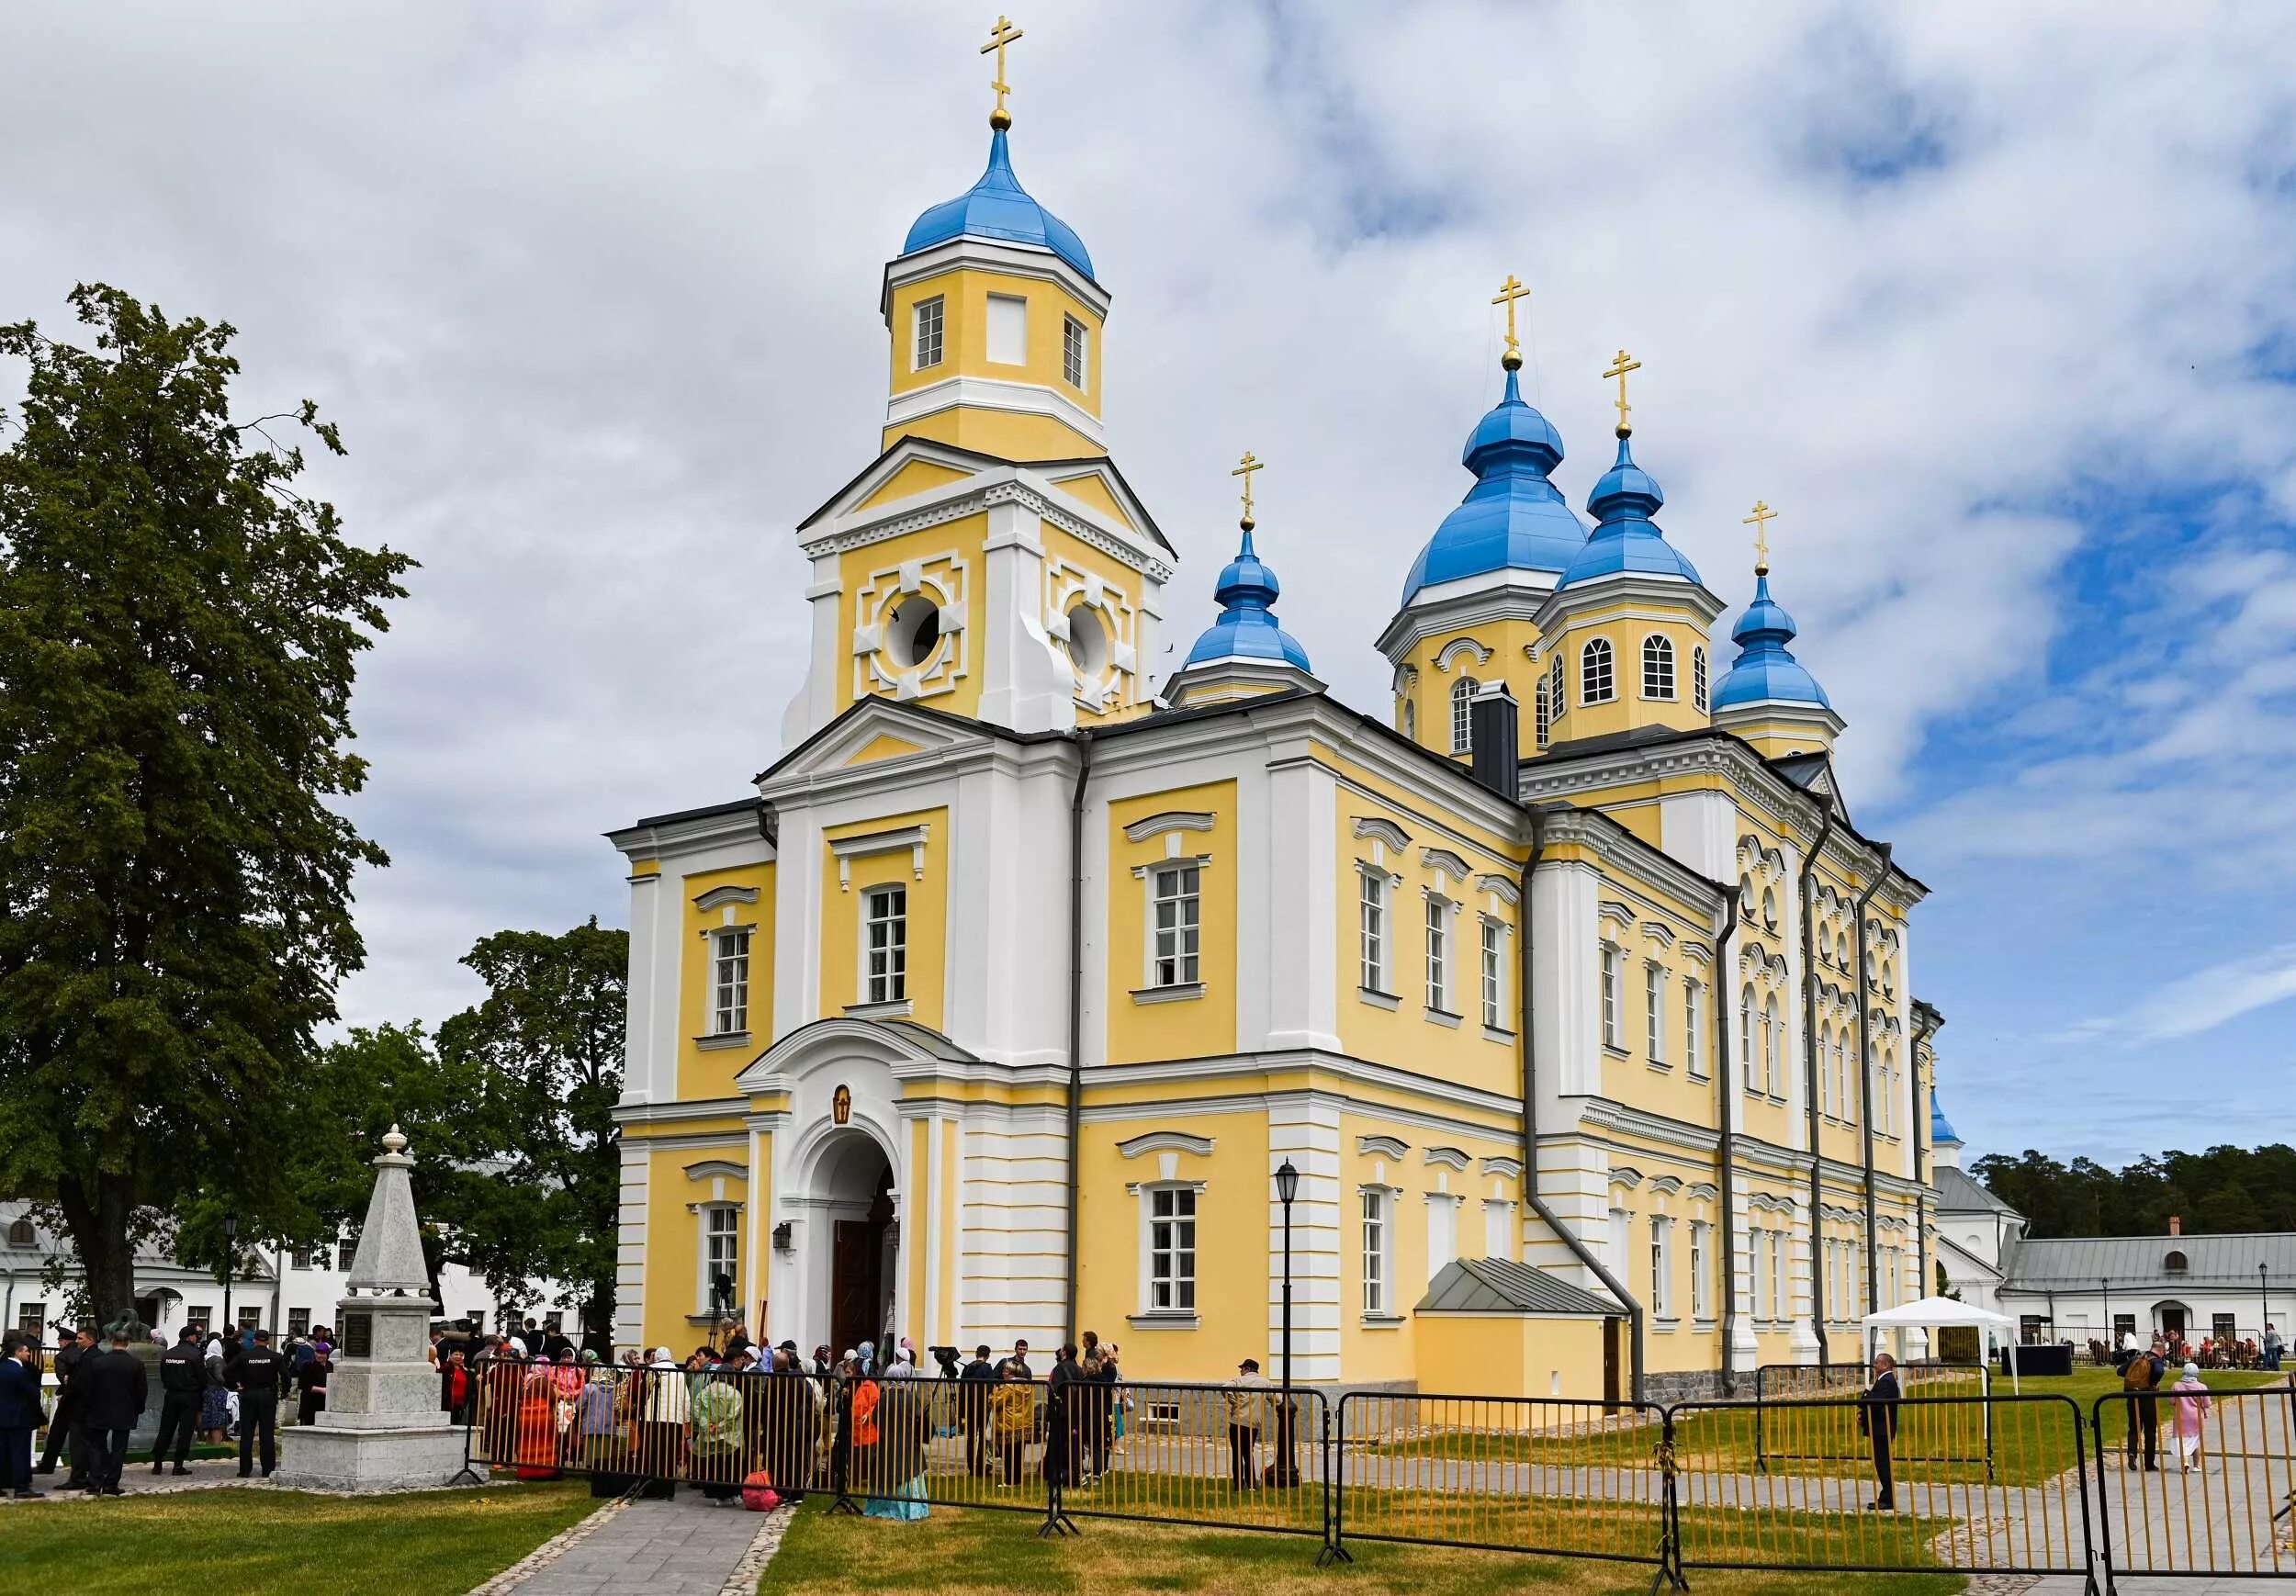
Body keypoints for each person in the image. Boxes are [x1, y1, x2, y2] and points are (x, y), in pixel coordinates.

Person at [73, 1322, 150, 1497]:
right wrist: (138, 1408)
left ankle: (94, 1481)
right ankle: (111, 1483)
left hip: (98, 1410)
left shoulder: (97, 1362)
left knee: (96, 1446)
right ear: (127, 1343)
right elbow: (141, 1391)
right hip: (124, 1411)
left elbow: (88, 1389)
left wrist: (89, 1408)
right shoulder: (135, 1365)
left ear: (112, 1341)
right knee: (119, 1448)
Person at [33, 1324, 95, 1484]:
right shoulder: (83, 1354)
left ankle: (48, 1464)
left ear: (64, 1342)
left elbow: (63, 1378)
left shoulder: (62, 1357)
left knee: (56, 1434)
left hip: (68, 1400)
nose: (59, 1343)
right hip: (84, 1402)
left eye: (60, 1340)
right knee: (84, 1437)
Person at [227, 1328, 289, 1478]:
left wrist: (235, 1386)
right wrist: (284, 1393)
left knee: (247, 1433)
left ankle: (244, 1470)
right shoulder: (275, 1357)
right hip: (268, 1396)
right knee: (267, 1434)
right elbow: (286, 1376)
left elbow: (227, 1370)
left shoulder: (244, 1356)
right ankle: (268, 1469)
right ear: (268, 1341)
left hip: (248, 1394)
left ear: (254, 1340)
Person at [152, 1324, 207, 1475]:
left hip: (171, 1395)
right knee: (185, 1430)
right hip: (190, 1396)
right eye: (195, 1336)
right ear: (190, 1337)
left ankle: (157, 1463)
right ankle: (178, 1465)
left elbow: (162, 1374)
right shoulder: (195, 1354)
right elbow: (202, 1378)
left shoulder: (168, 1354)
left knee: (166, 1429)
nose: (197, 1339)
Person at [1, 1334, 45, 1499]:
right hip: (18, 1418)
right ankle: (21, 1487)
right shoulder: (20, 1372)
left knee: (2, 1452)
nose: (28, 1354)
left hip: (2, 1417)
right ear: (18, 1352)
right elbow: (33, 1393)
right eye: (26, 1351)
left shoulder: (2, 1368)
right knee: (20, 1453)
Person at [1857, 1351, 1901, 1512]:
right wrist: (1863, 1414)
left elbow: (1875, 1402)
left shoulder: (1887, 1381)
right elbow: (1874, 1402)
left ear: (1885, 1365)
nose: (1874, 1365)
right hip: (1879, 1428)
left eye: (1877, 1363)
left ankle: (1887, 1499)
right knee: (1881, 1463)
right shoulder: (1883, 1380)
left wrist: (1864, 1399)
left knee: (1883, 1464)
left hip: (1882, 1429)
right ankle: (1885, 1497)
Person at [1225, 1357, 1270, 1491]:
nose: (1240, 1372)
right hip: (1253, 1423)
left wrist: (1234, 1401)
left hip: (1237, 1421)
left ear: (1247, 1369)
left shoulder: (1239, 1381)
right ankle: (1251, 1485)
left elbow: (1225, 1388)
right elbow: (1276, 1399)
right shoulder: (1265, 1382)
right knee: (1247, 1453)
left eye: (1242, 1369)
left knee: (1236, 1454)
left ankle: (1238, 1485)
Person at [2123, 1337, 2167, 1471]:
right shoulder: (2156, 1360)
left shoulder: (2137, 1358)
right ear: (2161, 1351)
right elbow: (2159, 1371)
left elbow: (2120, 1371)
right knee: (2150, 1428)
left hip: (2132, 1395)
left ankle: (2132, 1453)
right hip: (2147, 1396)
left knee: (2134, 1427)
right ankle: (2149, 1462)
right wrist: (2152, 1382)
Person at [990, 1362, 1034, 1489]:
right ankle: (1017, 1479)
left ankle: (1010, 1481)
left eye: (1006, 1371)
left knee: (1008, 1455)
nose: (1003, 1373)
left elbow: (995, 1403)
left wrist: (993, 1394)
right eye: (1004, 1370)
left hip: (1008, 1424)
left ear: (1013, 1373)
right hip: (1023, 1424)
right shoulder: (1028, 1385)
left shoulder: (1008, 1387)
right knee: (1019, 1455)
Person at [961, 1343, 997, 1476]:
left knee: (971, 1438)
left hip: (969, 1408)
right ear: (988, 1356)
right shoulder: (987, 1368)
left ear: (976, 1354)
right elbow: (991, 1387)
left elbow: (961, 1389)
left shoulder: (967, 1368)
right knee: (983, 1438)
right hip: (982, 1408)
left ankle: (971, 1467)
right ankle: (980, 1468)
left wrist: (962, 1411)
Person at [2169, 1360, 2212, 1472]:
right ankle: (2197, 1465)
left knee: (2182, 1440)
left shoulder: (2176, 1385)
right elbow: (2207, 1404)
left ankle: (2185, 1462)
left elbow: (2172, 1401)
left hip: (2181, 1416)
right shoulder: (2201, 1387)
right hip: (2196, 1417)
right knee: (2196, 1440)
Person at [199, 1333, 232, 1443]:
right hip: (217, 1392)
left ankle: (209, 1443)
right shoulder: (218, 1359)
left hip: (207, 1390)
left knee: (210, 1423)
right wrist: (231, 1384)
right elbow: (220, 1377)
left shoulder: (205, 1358)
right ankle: (217, 1445)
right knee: (217, 1422)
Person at [296, 1341, 332, 1426]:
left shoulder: (330, 1365)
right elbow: (302, 1385)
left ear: (327, 1354)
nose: (319, 1355)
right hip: (309, 1403)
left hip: (324, 1404)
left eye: (322, 1353)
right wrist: (321, 1390)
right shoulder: (308, 1365)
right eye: (317, 1352)